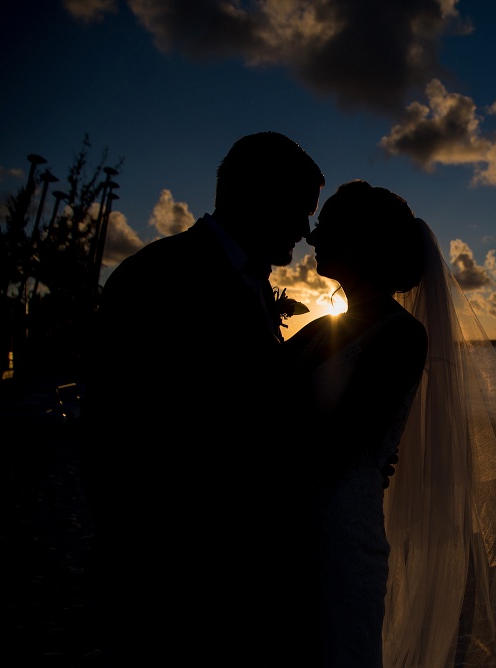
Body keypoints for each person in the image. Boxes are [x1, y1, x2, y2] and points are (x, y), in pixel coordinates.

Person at [80, 132, 324, 662]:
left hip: (230, 576)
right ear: (258, 196)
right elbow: (122, 432)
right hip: (171, 575)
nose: (307, 232)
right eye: (301, 210)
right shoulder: (161, 276)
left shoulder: (252, 282)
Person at [283, 180, 496, 667]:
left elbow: (340, 443)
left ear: (363, 244)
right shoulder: (320, 326)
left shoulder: (401, 336)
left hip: (338, 527)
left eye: (329, 227)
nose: (313, 239)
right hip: (287, 520)